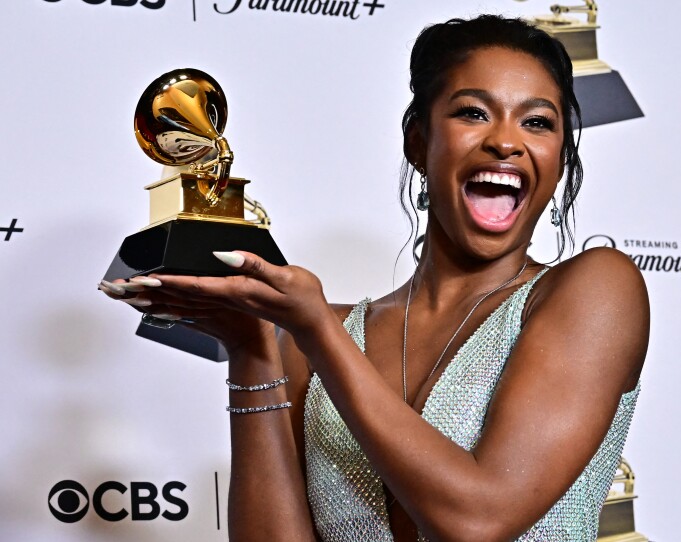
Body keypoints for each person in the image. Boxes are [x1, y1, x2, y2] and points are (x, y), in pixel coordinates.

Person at [100, 15, 649, 542]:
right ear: (418, 141)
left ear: (558, 157)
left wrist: (318, 330)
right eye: (473, 113)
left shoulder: (596, 289)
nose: (506, 142)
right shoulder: (308, 342)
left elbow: (477, 523)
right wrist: (252, 349)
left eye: (537, 122)